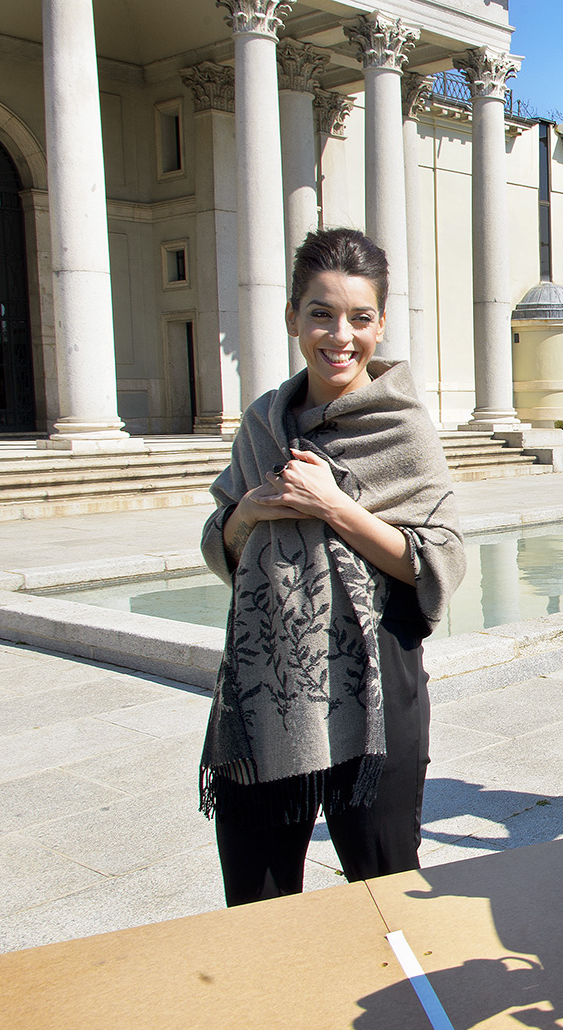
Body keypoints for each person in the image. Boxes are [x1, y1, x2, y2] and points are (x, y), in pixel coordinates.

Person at [199, 228, 466, 908]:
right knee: (258, 903)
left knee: (383, 895)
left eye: (359, 317)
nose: (340, 335)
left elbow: (437, 561)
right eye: (321, 313)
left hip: (373, 687)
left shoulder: (401, 426)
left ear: (380, 323)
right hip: (267, 690)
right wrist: (248, 511)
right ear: (293, 317)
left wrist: (333, 506)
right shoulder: (263, 424)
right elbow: (223, 545)